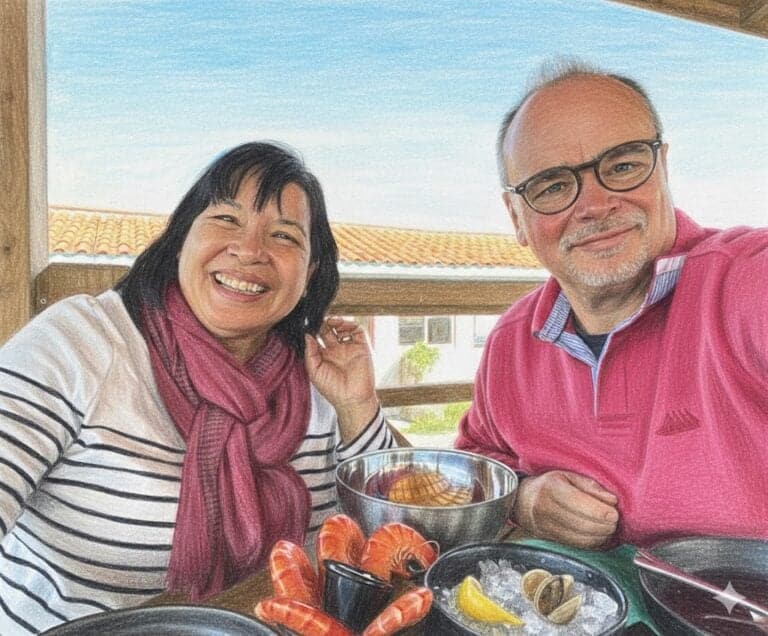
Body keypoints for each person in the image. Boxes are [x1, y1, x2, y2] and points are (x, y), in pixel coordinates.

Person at [0, 141, 394, 634]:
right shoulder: (83, 339)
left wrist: (357, 405)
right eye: (227, 220)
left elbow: (394, 544)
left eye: (284, 235)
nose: (250, 251)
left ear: (310, 272)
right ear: (181, 238)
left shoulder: (320, 374)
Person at [455, 60, 768, 551]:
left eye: (622, 166)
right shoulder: (509, 344)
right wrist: (524, 499)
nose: (595, 205)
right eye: (553, 186)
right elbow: (473, 468)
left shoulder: (747, 281)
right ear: (517, 217)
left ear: (661, 169)